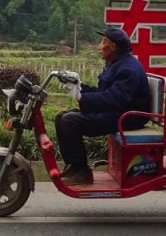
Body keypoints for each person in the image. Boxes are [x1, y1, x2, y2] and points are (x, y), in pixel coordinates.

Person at [54, 26, 151, 185]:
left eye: (102, 42)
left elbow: (114, 98)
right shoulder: (118, 63)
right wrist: (79, 87)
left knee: (69, 121)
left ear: (113, 47)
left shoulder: (128, 69)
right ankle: (74, 167)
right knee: (61, 116)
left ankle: (82, 172)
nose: (99, 47)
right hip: (118, 112)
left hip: (127, 117)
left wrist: (82, 98)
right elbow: (104, 92)